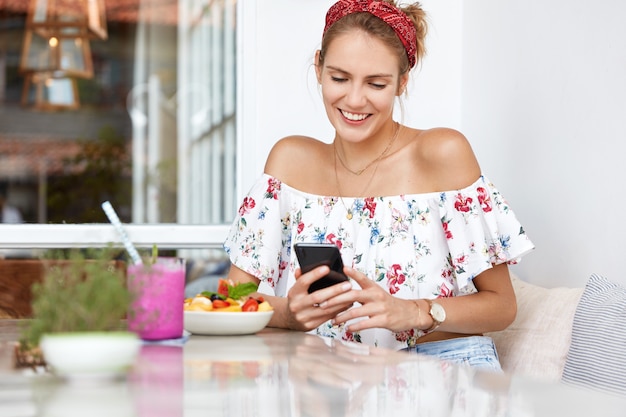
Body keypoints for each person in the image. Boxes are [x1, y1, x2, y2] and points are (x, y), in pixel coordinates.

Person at [224, 0, 534, 371]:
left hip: (442, 369)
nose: (354, 100)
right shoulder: (289, 162)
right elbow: (233, 297)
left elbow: (502, 306)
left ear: (402, 82)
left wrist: (414, 312)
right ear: (319, 66)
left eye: (376, 83)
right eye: (339, 78)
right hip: (329, 378)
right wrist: (291, 314)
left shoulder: (443, 153)